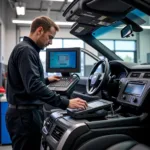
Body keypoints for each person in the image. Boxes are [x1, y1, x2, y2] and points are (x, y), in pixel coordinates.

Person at [5, 16, 87, 150]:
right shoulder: (27, 50)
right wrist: (66, 103)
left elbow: (26, 83)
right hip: (25, 117)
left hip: (23, 115)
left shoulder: (26, 49)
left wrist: (47, 80)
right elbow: (33, 86)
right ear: (39, 30)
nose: (50, 42)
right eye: (50, 37)